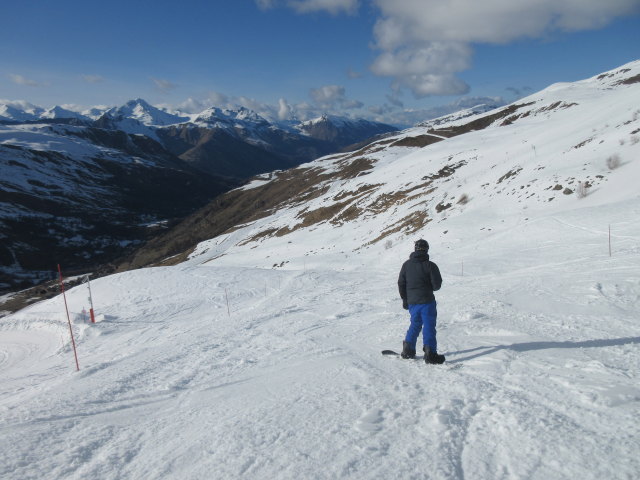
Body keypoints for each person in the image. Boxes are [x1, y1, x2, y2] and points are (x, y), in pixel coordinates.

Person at [397, 239, 445, 364]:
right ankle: (430, 353)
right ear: (426, 249)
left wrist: (405, 299)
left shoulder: (406, 265)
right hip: (427, 301)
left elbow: (401, 283)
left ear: (415, 249)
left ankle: (408, 350)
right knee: (429, 325)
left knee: (415, 324)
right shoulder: (430, 265)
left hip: (412, 302)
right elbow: (436, 286)